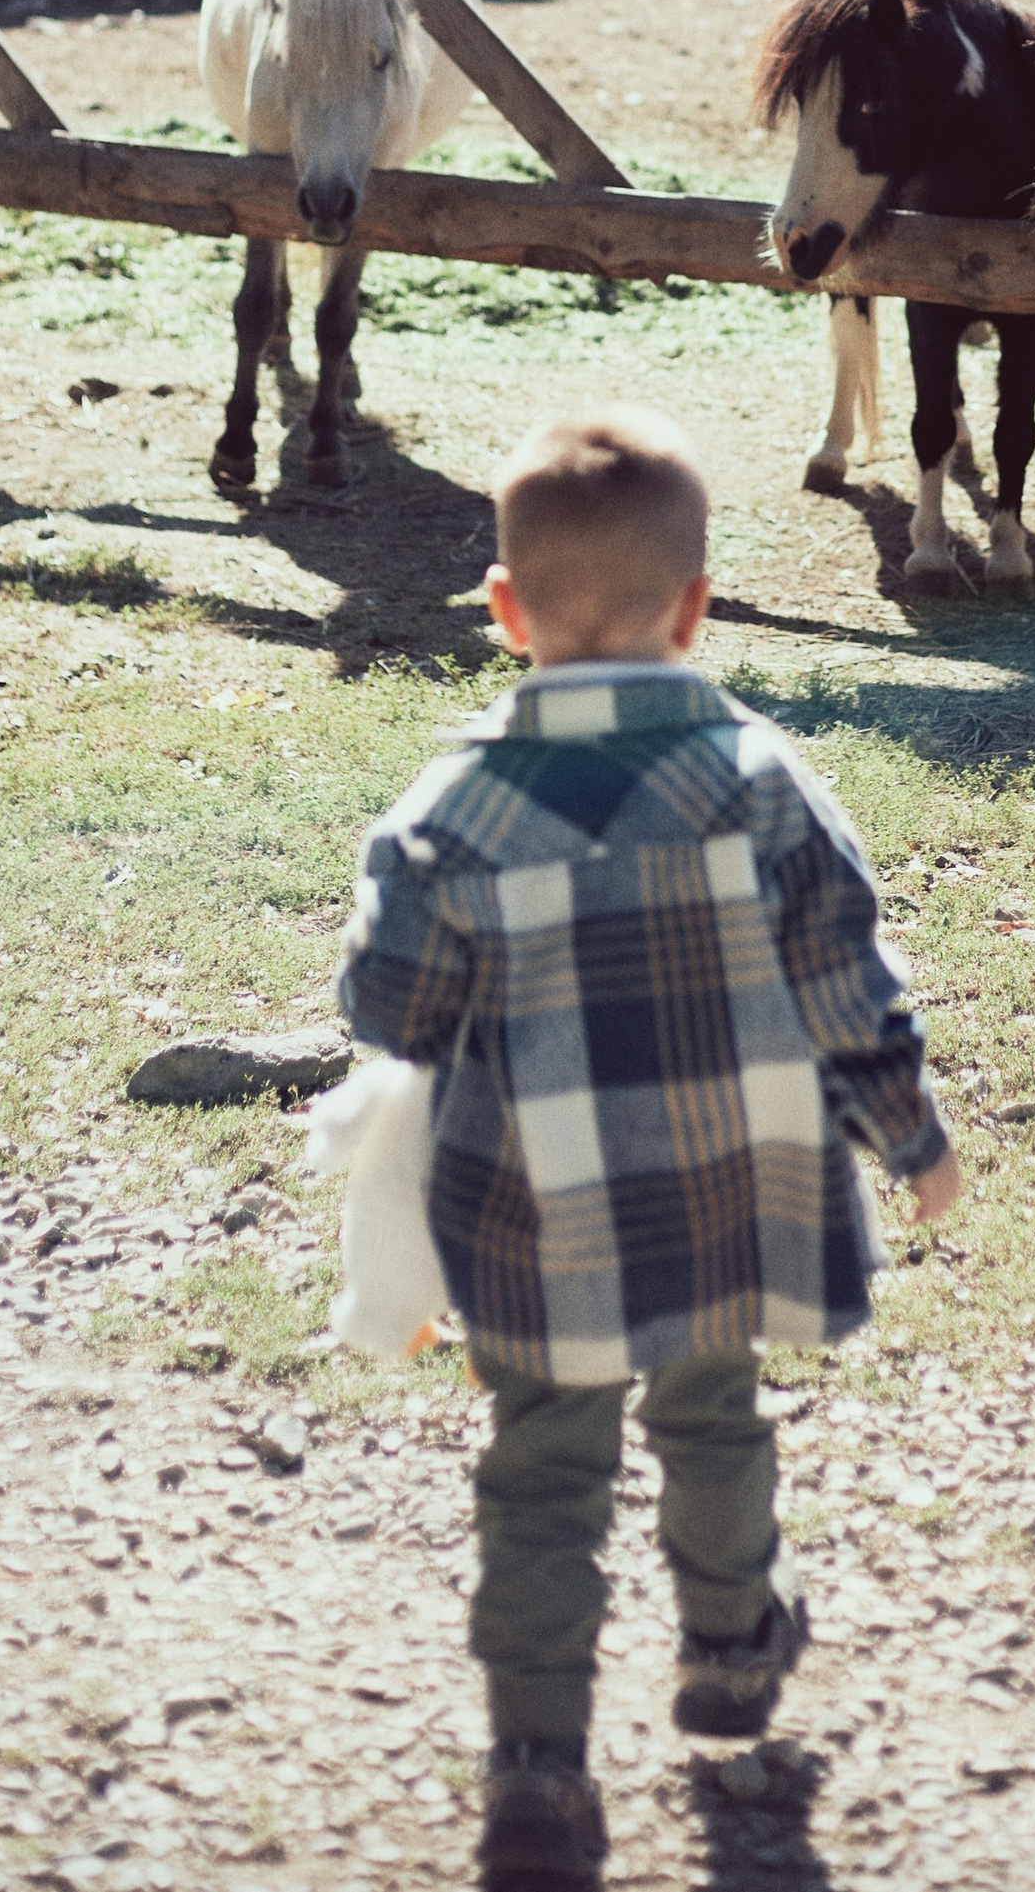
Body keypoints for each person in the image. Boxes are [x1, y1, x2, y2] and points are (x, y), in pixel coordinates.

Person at [339, 403, 960, 1890]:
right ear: (697, 603)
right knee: (714, 1420)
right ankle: (735, 1647)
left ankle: (539, 1766)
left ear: (503, 611)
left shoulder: (448, 811)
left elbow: (390, 1005)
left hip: (531, 1220)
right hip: (726, 1197)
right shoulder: (762, 781)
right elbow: (846, 978)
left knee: (543, 1471)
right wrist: (911, 1135)